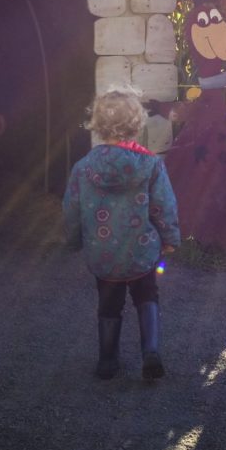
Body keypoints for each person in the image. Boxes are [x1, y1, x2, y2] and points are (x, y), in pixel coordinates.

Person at [62, 88, 180, 380]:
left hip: (103, 252)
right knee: (147, 295)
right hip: (142, 250)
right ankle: (150, 350)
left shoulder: (83, 167)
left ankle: (107, 361)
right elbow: (164, 205)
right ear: (137, 124)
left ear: (97, 124)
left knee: (108, 304)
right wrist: (170, 239)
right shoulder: (151, 164)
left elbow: (71, 208)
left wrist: (74, 239)